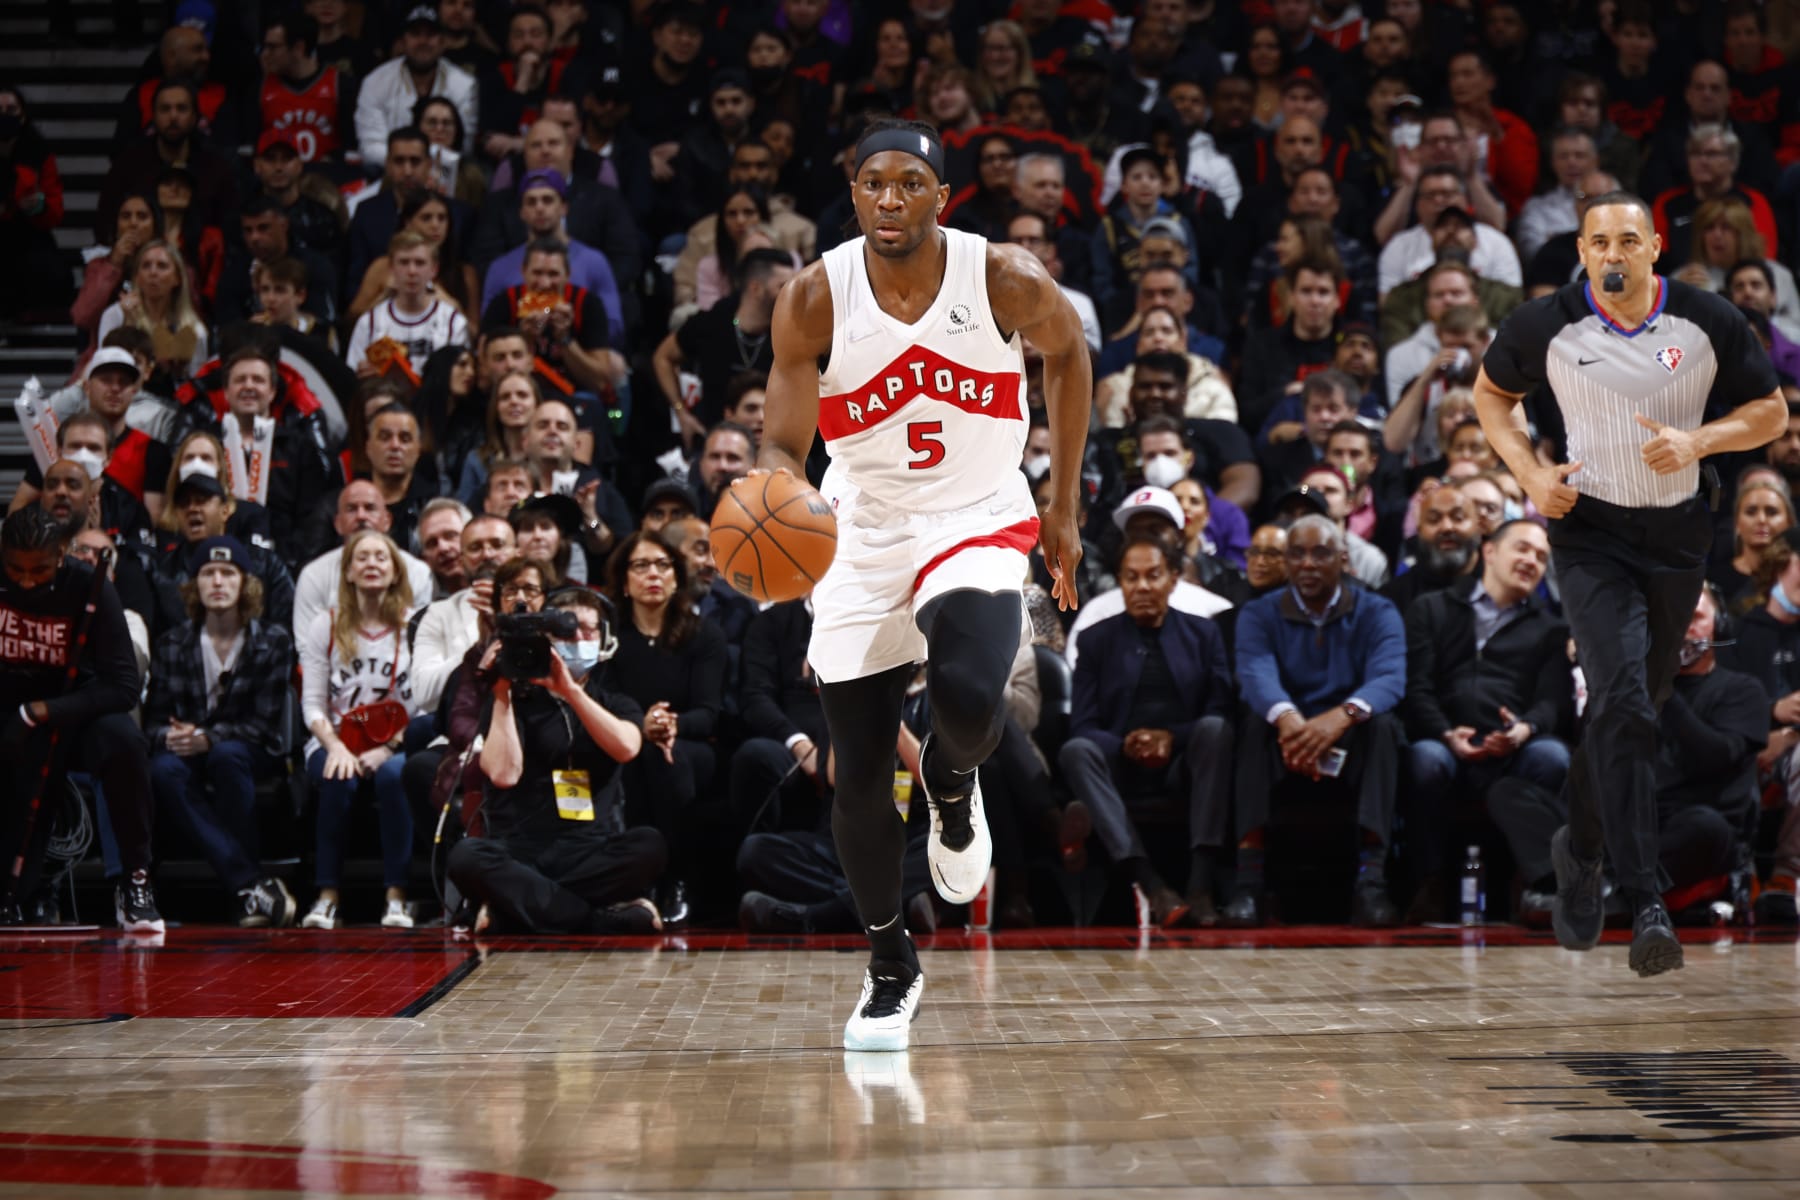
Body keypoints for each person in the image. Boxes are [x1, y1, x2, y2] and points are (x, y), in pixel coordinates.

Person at [761, 118, 1090, 1051]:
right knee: (857, 770)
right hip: (863, 526)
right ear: (854, 194)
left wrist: (1061, 505)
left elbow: (1068, 358)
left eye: (911, 183)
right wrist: (780, 499)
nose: (891, 199)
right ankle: (889, 966)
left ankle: (951, 781)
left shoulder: (1004, 278)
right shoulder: (816, 296)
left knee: (972, 692)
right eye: (874, 184)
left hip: (977, 509)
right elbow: (784, 441)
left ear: (943, 197)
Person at [1473, 189, 1787, 976]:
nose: (1611, 254)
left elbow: (1772, 413)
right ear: (1581, 251)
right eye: (1597, 242)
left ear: (1652, 248)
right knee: (1618, 703)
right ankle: (1644, 897)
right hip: (1589, 535)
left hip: (1679, 537)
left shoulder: (1706, 319)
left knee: (1634, 709)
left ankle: (1579, 848)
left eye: (1626, 240)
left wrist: (1701, 440)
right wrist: (1530, 473)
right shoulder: (1544, 324)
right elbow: (1490, 397)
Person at [450, 572, 666, 934]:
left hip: (590, 851)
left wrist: (570, 692)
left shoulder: (614, 701)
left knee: (650, 846)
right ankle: (597, 920)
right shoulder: (509, 700)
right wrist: (501, 692)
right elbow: (504, 774)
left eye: (588, 630)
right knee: (466, 857)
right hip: (521, 852)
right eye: (566, 631)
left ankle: (514, 911)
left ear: (604, 640)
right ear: (545, 640)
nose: (578, 638)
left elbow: (627, 747)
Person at [1227, 514, 1406, 928]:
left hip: (1351, 734)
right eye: (1297, 554)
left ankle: (1372, 883)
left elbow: (1390, 678)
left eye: (1321, 553)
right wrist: (1290, 719)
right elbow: (1256, 673)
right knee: (1253, 725)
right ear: (1287, 562)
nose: (1308, 563)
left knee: (1384, 726)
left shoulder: (1379, 611)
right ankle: (1248, 885)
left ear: (1343, 559)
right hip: (1285, 736)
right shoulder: (1259, 614)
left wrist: (1341, 718)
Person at [1399, 520, 1571, 921]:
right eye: (1522, 549)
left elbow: (1552, 701)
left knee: (1552, 757)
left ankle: (1532, 883)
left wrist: (1523, 729)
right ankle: (1429, 882)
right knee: (1424, 760)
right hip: (1443, 741)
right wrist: (1445, 732)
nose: (1532, 560)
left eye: (1542, 557)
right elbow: (1415, 687)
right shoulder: (1432, 608)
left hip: (1513, 750)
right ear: (1489, 552)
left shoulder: (1550, 628)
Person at [1059, 534, 1234, 926]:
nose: (1141, 587)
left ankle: (1201, 888)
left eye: (1152, 576)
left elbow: (1220, 707)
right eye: (1131, 577)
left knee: (1216, 730)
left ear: (1173, 578)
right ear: (1119, 582)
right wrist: (1126, 745)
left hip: (1184, 764)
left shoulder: (1204, 635)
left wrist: (1173, 739)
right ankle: (1151, 885)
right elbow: (1083, 723)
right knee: (1076, 751)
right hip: (1120, 766)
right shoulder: (1095, 639)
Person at [0, 507, 159, 931]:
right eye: (15, 569)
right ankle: (19, 891)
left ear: (61, 556)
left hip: (79, 706)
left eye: (39, 569)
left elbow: (123, 687)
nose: (27, 580)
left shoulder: (88, 586)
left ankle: (135, 880)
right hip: (11, 711)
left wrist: (45, 711)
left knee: (126, 743)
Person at [145, 536, 297, 926]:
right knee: (163, 769)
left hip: (250, 750)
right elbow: (154, 720)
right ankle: (248, 885)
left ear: (245, 583)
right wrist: (169, 736)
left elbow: (264, 724)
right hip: (191, 751)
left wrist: (208, 737)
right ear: (193, 584)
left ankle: (244, 886)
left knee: (227, 756)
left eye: (227, 573)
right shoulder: (172, 643)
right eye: (207, 573)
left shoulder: (273, 641)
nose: (217, 581)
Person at [298, 529, 421, 931]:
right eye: (362, 558)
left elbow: (422, 705)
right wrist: (334, 746)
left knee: (393, 775)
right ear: (348, 572)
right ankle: (327, 896)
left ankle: (397, 897)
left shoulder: (416, 625)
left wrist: (389, 749)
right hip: (336, 739)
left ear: (396, 571)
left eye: (381, 558)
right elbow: (312, 702)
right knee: (338, 777)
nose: (371, 564)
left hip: (398, 741)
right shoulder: (326, 624)